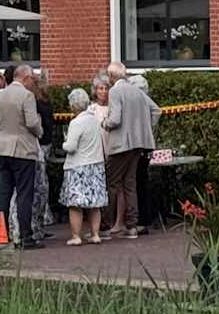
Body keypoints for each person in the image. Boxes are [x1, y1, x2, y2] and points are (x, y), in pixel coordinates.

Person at [0, 61, 45, 250]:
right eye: (32, 79)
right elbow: (32, 122)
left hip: (2, 149)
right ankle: (25, 236)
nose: (33, 83)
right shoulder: (27, 96)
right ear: (26, 78)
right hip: (22, 150)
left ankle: (1, 234)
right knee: (24, 194)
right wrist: (40, 132)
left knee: (3, 193)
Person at [101, 62, 159, 239]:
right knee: (130, 184)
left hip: (120, 145)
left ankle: (105, 227)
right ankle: (132, 226)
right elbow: (155, 109)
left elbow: (115, 119)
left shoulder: (115, 91)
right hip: (138, 144)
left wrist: (104, 123)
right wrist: (145, 129)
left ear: (111, 76)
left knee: (111, 183)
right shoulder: (137, 91)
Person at [61, 86, 110, 245]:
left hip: (78, 167)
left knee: (75, 204)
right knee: (95, 203)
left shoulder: (76, 122)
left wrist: (63, 143)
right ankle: (95, 234)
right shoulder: (94, 120)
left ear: (73, 105)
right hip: (96, 165)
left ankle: (76, 236)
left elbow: (71, 146)